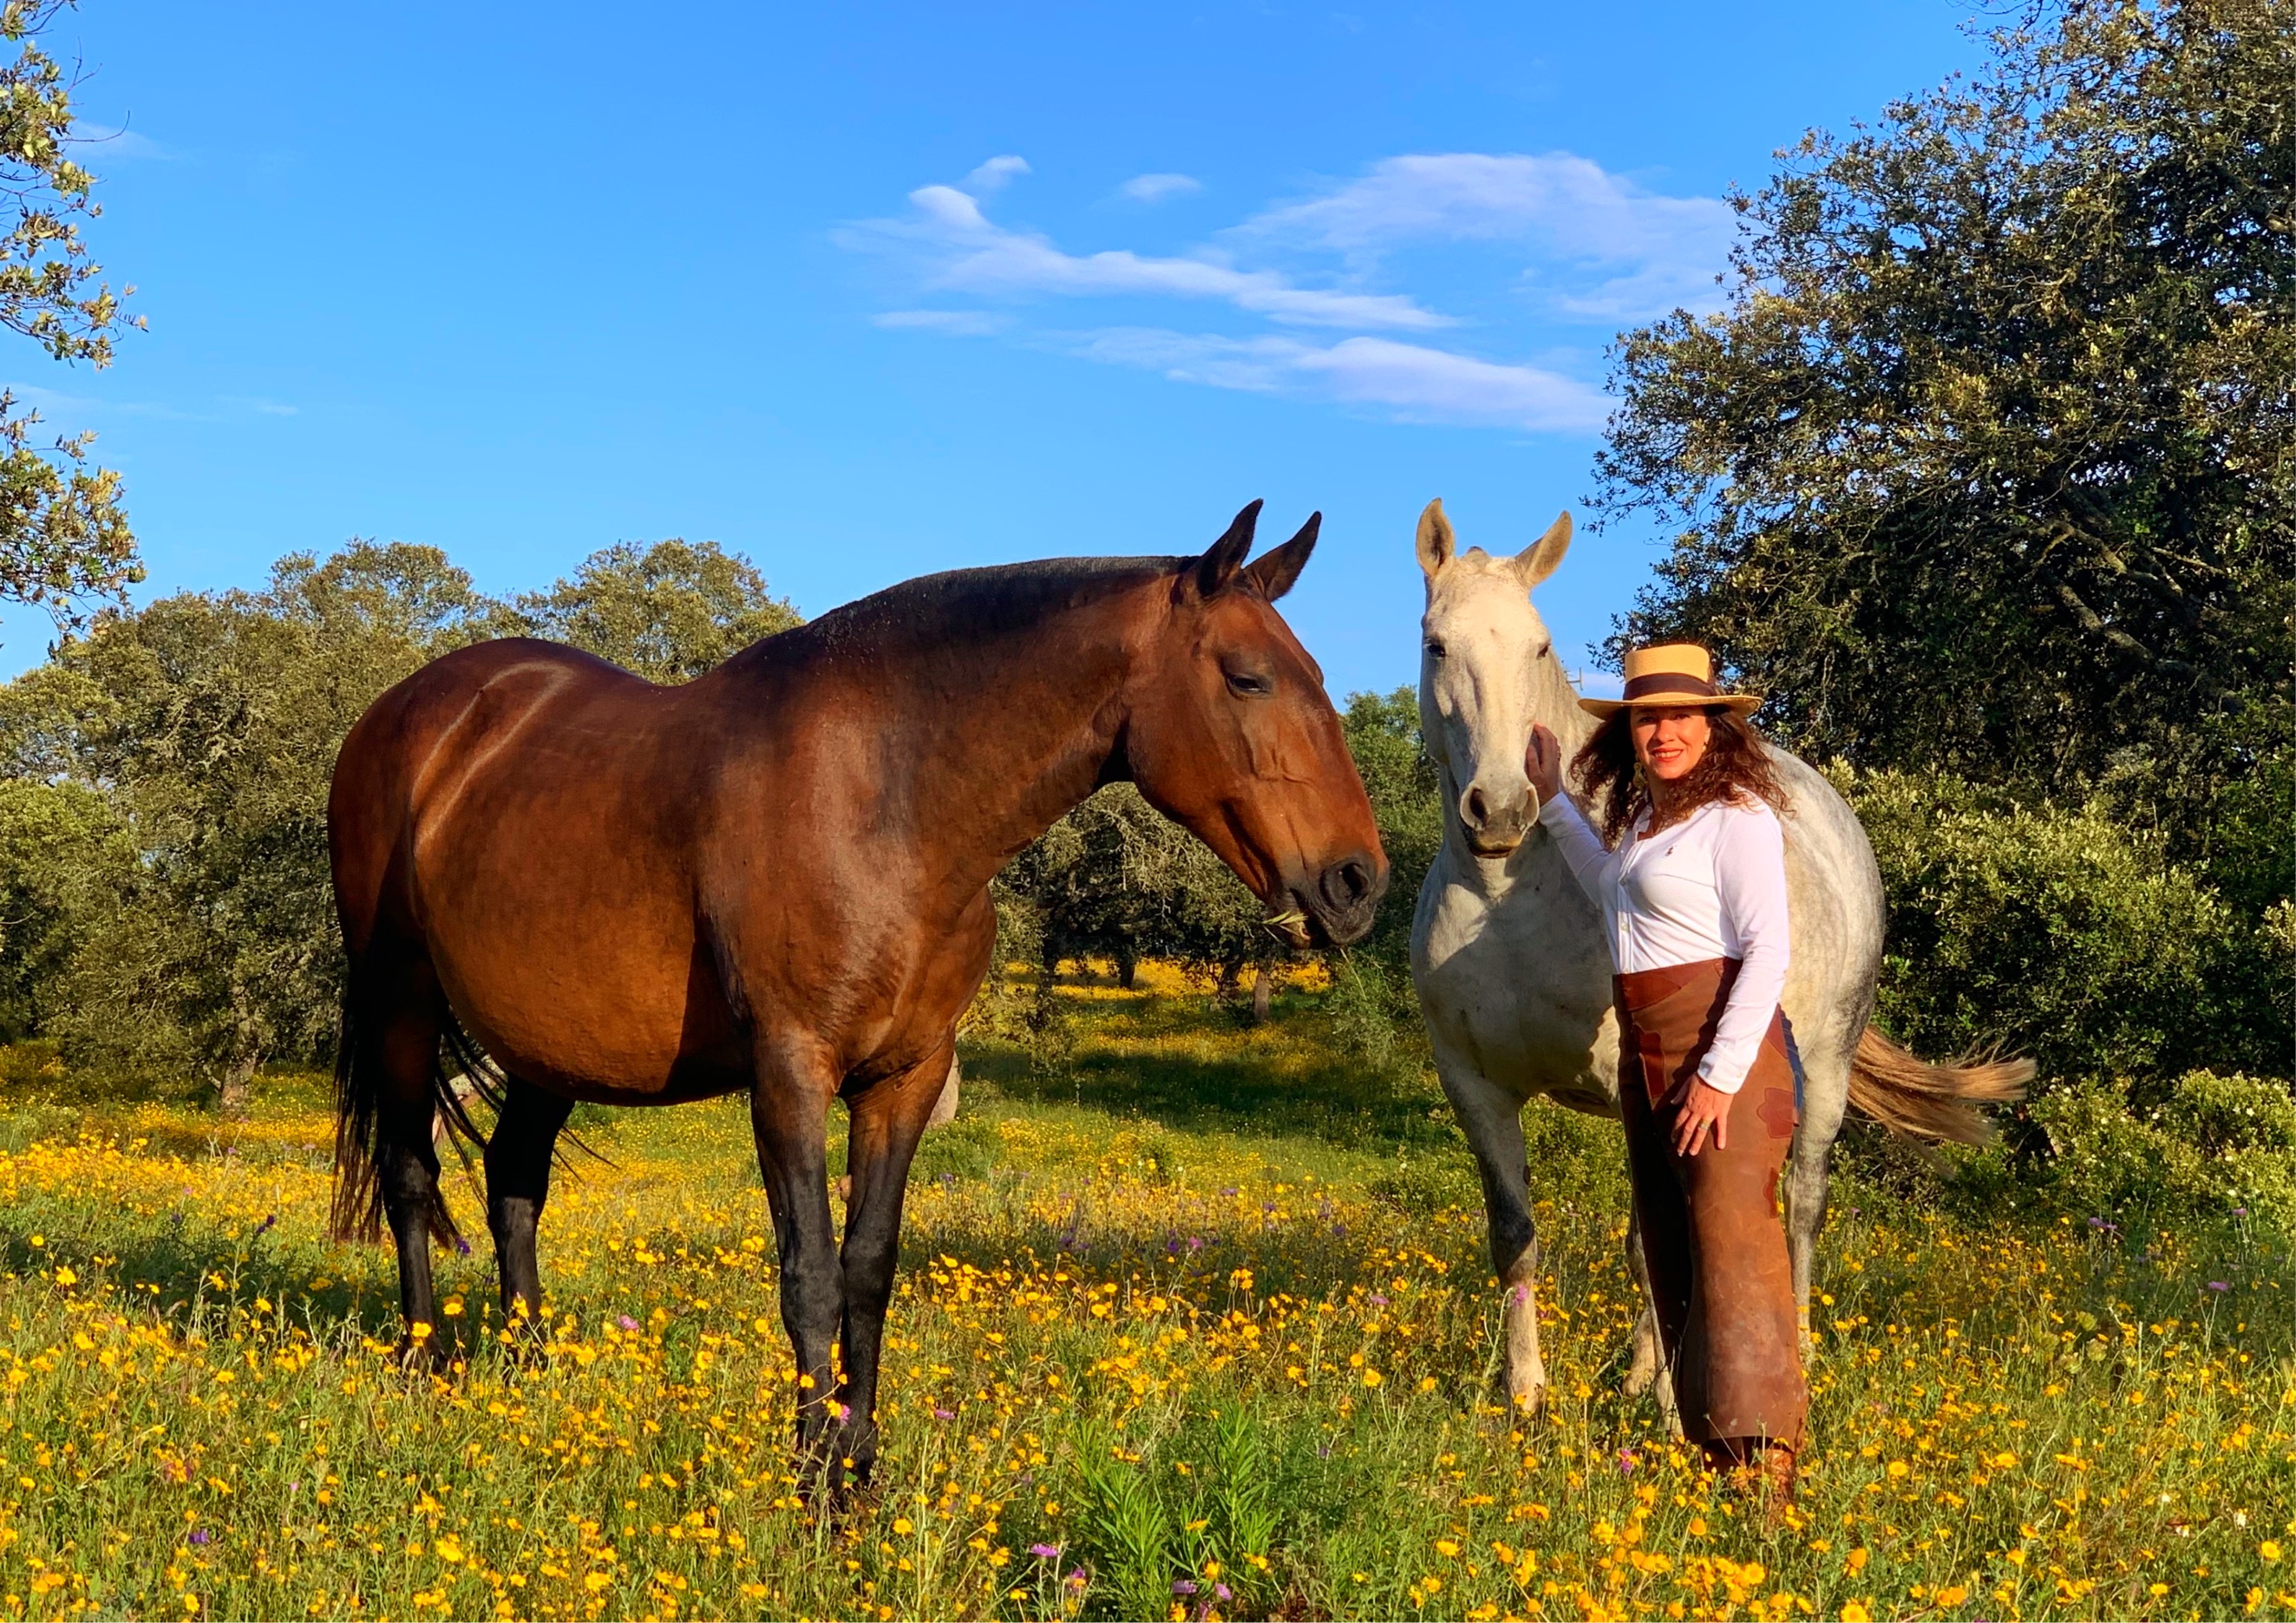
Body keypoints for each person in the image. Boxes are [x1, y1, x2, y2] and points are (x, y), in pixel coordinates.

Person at [1525, 642, 1805, 1502]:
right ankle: (1712, 1449)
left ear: (1714, 727)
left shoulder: (1738, 816)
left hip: (1726, 1052)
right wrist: (1549, 806)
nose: (1663, 731)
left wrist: (1718, 1075)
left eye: (1682, 715)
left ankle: (1768, 1474)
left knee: (1735, 1246)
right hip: (1651, 1054)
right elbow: (1611, 891)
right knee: (1673, 1246)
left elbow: (1769, 949)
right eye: (1647, 717)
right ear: (1629, 733)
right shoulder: (1650, 823)